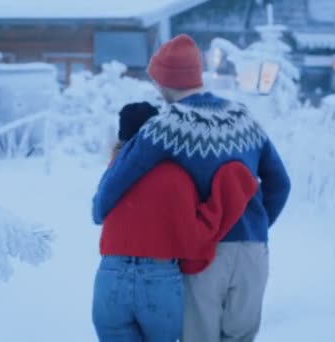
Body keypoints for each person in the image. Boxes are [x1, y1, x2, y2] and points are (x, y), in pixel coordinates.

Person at [92, 34, 291, 341]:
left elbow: (118, 180)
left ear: (161, 82)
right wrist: (257, 225)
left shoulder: (166, 126)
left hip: (204, 254)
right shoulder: (243, 117)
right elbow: (280, 183)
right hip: (254, 252)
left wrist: (100, 208)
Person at [92, 101, 259, 342]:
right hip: (158, 278)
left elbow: (98, 213)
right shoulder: (177, 177)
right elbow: (193, 239)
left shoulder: (112, 175)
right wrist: (227, 192)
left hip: (110, 276)